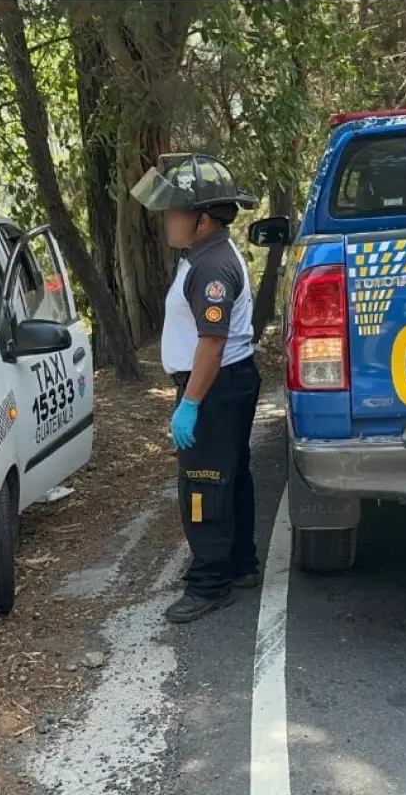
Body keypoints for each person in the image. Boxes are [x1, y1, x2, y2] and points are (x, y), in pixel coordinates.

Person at [130, 153, 263, 624]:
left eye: (174, 212)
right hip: (224, 383)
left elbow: (211, 343)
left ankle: (210, 584)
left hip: (214, 386)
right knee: (232, 474)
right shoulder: (203, 255)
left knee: (203, 483)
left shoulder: (211, 267)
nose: (167, 221)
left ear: (201, 220)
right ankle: (239, 562)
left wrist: (189, 404)